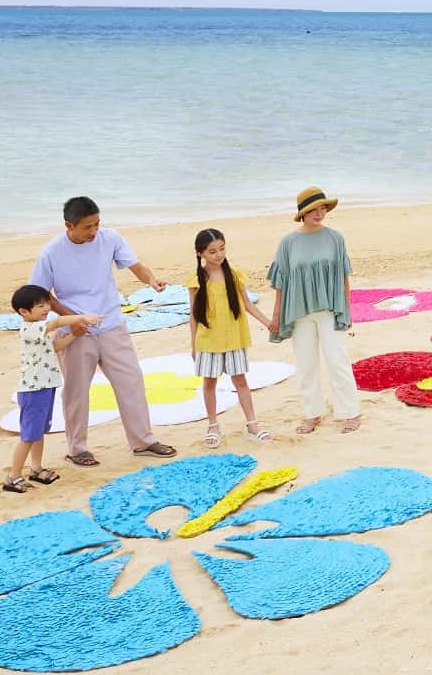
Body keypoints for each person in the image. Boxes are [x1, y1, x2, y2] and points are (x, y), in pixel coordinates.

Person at [30, 196, 179, 466]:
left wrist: (151, 280)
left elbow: (135, 265)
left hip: (111, 325)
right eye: (87, 227)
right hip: (76, 332)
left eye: (97, 224)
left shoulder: (110, 239)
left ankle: (143, 441)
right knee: (76, 392)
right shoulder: (51, 253)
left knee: (131, 382)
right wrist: (71, 319)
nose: (94, 231)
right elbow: (41, 293)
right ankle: (77, 449)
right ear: (69, 226)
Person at [266, 186, 361, 434]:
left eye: (322, 208)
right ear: (303, 213)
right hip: (299, 312)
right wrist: (276, 315)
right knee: (306, 365)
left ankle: (350, 412)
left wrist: (346, 307)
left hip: (330, 309)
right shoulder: (288, 242)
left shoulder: (335, 238)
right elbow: (281, 282)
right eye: (313, 210)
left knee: (338, 361)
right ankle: (312, 414)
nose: (319, 213)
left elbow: (343, 275)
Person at [3, 285, 98, 492]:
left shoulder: (39, 329)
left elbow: (54, 348)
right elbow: (56, 322)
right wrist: (82, 317)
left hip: (45, 387)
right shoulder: (31, 328)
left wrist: (74, 335)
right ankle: (13, 476)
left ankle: (36, 468)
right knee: (29, 436)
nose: (46, 308)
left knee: (38, 433)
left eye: (46, 303)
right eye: (40, 305)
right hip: (34, 390)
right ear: (23, 312)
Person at [189, 228, 277, 447]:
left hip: (234, 337)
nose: (219, 254)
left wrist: (267, 322)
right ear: (200, 253)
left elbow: (247, 304)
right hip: (208, 340)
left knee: (240, 380)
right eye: (212, 251)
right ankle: (213, 425)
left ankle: (252, 425)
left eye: (222, 249)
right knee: (209, 383)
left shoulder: (234, 274)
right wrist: (193, 344)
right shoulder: (196, 280)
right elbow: (194, 314)